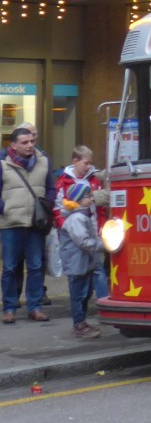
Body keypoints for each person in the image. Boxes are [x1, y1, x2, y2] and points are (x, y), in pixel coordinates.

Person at [0, 128, 52, 323]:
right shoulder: (3, 163)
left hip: (35, 223)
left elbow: (51, 188)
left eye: (31, 141)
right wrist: (4, 208)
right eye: (24, 142)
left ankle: (35, 307)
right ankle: (9, 308)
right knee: (10, 268)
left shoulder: (43, 161)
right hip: (10, 223)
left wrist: (48, 205)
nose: (30, 145)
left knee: (36, 267)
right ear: (13, 145)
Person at [53, 144, 109, 298]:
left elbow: (101, 208)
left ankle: (102, 301)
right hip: (73, 234)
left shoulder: (95, 179)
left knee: (97, 269)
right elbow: (57, 209)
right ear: (75, 161)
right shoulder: (63, 182)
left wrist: (101, 227)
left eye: (90, 163)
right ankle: (80, 304)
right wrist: (65, 227)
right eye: (86, 163)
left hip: (94, 230)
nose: (88, 166)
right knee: (77, 272)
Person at [59, 182, 102, 339]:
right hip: (76, 263)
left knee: (85, 293)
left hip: (83, 262)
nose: (91, 199)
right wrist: (103, 245)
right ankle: (79, 324)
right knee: (78, 295)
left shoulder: (82, 215)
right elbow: (83, 241)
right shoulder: (76, 218)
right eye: (87, 196)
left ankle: (81, 322)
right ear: (78, 199)